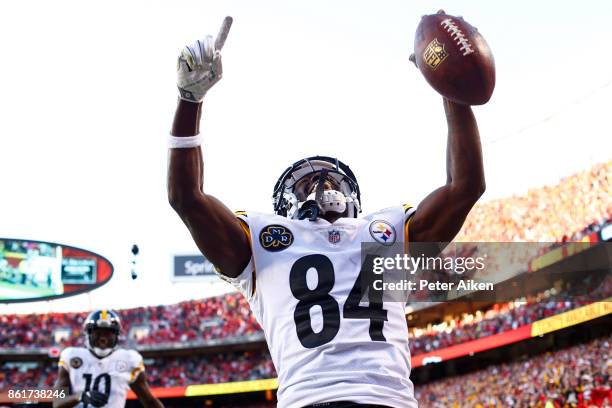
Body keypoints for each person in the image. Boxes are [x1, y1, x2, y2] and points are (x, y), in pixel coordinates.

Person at [168, 16, 485, 408]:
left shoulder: (385, 230)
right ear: (285, 205)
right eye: (306, 185)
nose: (323, 186)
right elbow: (186, 198)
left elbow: (465, 188)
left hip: (386, 400)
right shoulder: (262, 240)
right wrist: (189, 101)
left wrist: (449, 87)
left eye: (332, 181)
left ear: (353, 195)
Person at [52, 310, 163, 408]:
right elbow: (57, 402)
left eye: (108, 333)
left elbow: (149, 401)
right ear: (89, 333)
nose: (103, 338)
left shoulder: (129, 360)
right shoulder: (71, 355)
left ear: (116, 335)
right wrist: (81, 396)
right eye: (98, 333)